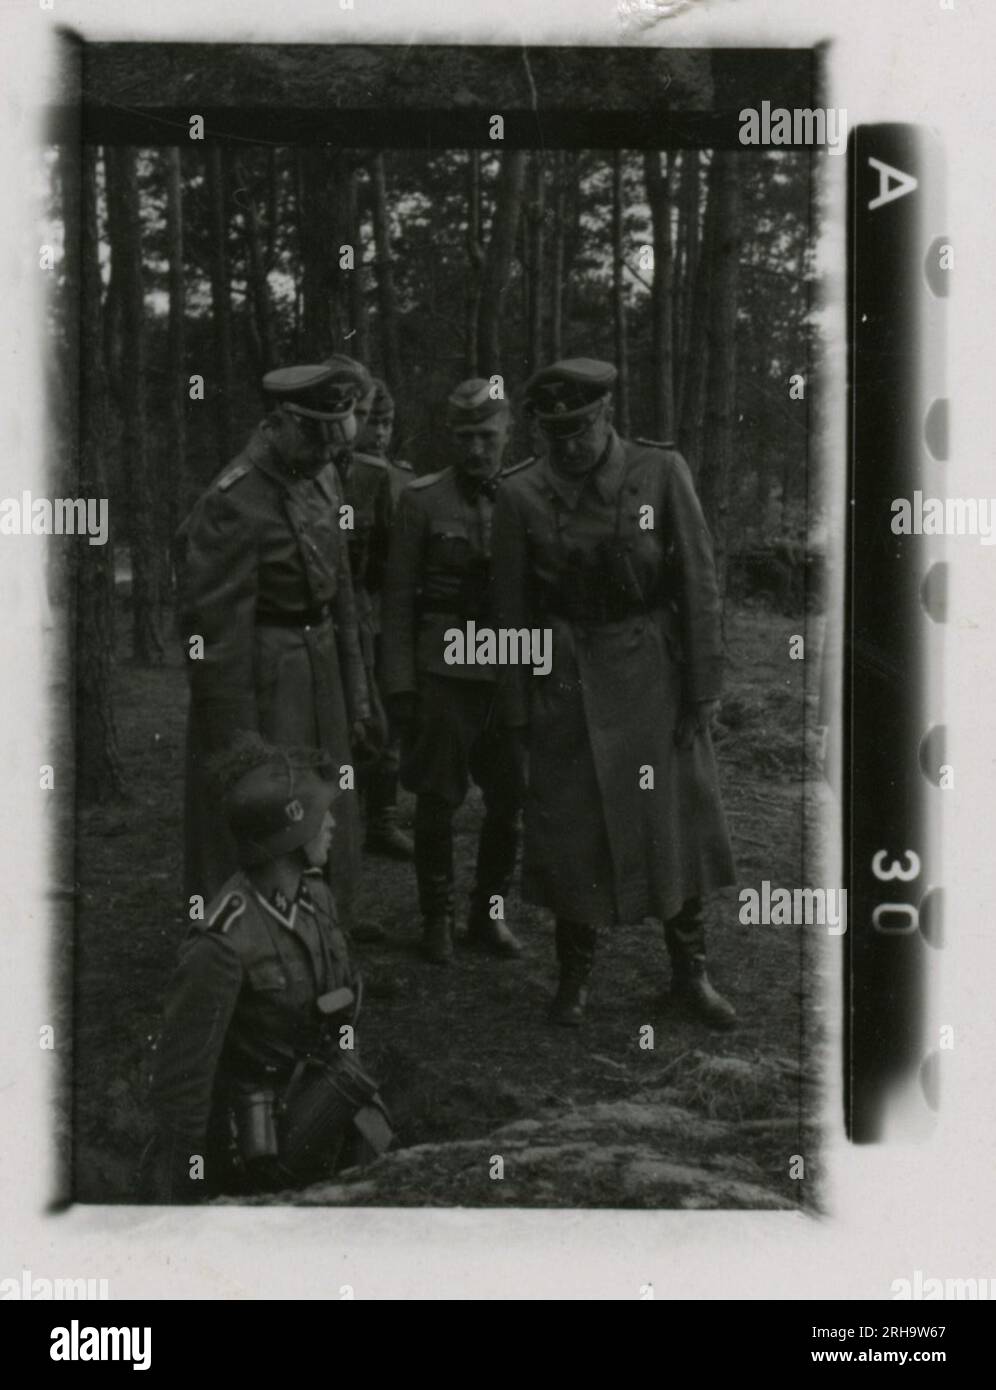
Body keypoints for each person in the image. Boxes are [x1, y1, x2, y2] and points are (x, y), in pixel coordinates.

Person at [491, 358, 738, 1028]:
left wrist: (704, 684)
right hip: (567, 675)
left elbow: (699, 582)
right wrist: (516, 708)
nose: (568, 445)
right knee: (574, 826)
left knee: (672, 823)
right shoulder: (518, 495)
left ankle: (690, 974)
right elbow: (510, 613)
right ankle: (573, 978)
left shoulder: (659, 472)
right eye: (553, 433)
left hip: (653, 669)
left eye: (579, 429)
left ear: (605, 418)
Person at [142, 738, 392, 1203]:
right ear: (290, 833)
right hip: (263, 1152)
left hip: (331, 1106)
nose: (332, 824)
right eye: (322, 817)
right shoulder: (221, 943)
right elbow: (183, 1092)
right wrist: (186, 1202)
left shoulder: (316, 899)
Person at [176, 363, 377, 933]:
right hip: (265, 681)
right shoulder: (232, 500)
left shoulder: (322, 475)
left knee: (326, 806)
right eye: (315, 435)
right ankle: (250, 946)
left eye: (337, 435)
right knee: (266, 808)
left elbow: (339, 592)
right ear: (281, 422)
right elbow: (214, 641)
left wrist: (356, 690)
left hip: (321, 674)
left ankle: (322, 935)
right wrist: (239, 749)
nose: (325, 451)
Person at [382, 379, 529, 964]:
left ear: (507, 432)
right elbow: (396, 603)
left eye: (487, 436)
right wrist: (399, 684)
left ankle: (487, 916)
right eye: (465, 437)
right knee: (438, 800)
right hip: (444, 670)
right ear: (451, 436)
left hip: (510, 670)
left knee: (510, 799)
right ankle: (436, 919)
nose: (475, 449)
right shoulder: (421, 500)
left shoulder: (527, 495)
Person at [323, 356, 413, 861]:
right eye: (372, 420)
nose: (379, 432)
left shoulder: (394, 480)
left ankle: (382, 818)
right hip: (340, 612)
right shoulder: (335, 475)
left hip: (376, 612)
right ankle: (342, 820)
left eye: (386, 422)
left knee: (385, 714)